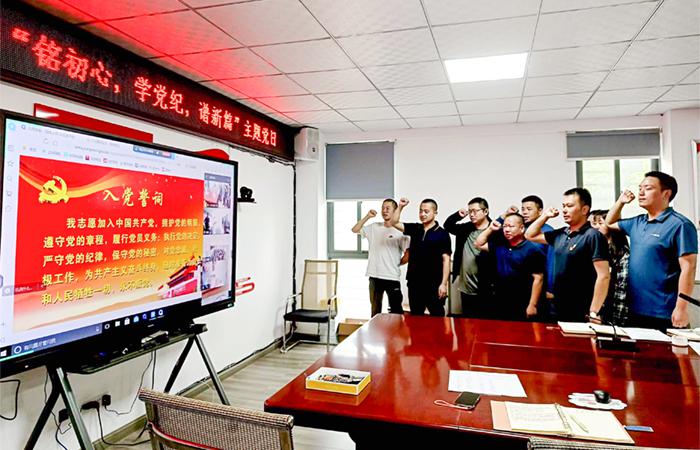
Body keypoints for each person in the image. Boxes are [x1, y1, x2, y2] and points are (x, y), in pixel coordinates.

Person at [605, 171, 698, 329]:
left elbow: (689, 268)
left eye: (647, 188)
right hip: (634, 309)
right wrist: (621, 202)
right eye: (640, 188)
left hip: (663, 312)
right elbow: (609, 222)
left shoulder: (680, 225)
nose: (641, 192)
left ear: (666, 193)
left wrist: (681, 308)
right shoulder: (637, 222)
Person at [525, 188, 610, 322]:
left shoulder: (593, 236)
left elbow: (604, 276)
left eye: (569, 206)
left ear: (584, 209)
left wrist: (594, 311)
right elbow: (529, 235)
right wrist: (545, 216)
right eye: (563, 206)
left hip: (582, 307)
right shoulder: (561, 234)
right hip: (557, 305)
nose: (564, 210)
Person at [475, 212, 545, 321]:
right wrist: (490, 229)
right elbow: (478, 244)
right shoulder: (500, 244)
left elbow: (538, 278)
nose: (507, 230)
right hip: (500, 297)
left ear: (522, 228)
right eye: (505, 226)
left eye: (511, 226)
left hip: (522, 299)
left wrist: (532, 305)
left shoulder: (532, 249)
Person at [390, 198, 452, 316]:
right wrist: (400, 206)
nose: (422, 214)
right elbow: (394, 222)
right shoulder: (415, 228)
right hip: (414, 282)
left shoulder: (443, 234)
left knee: (437, 317)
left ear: (435, 213)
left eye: (426, 211)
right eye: (420, 211)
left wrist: (444, 284)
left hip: (434, 284)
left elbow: (446, 260)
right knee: (416, 317)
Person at [351, 199, 409, 317]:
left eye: (388, 208)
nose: (384, 210)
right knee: (375, 311)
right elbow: (355, 229)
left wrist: (397, 263)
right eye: (383, 208)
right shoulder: (374, 227)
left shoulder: (400, 231)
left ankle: (396, 330)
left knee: (396, 311)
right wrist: (367, 216)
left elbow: (408, 254)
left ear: (395, 211)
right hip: (374, 276)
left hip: (392, 276)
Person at [444, 197, 493, 318]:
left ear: (485, 211)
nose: (471, 214)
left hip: (487, 287)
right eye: (470, 211)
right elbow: (448, 226)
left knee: (486, 322)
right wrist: (458, 215)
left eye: (475, 211)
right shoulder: (466, 228)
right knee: (467, 321)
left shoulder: (494, 230)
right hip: (466, 286)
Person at [589, 210, 630, 326]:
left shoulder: (622, 254)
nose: (595, 227)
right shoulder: (592, 247)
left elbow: (621, 289)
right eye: (593, 224)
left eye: (600, 223)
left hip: (612, 309)